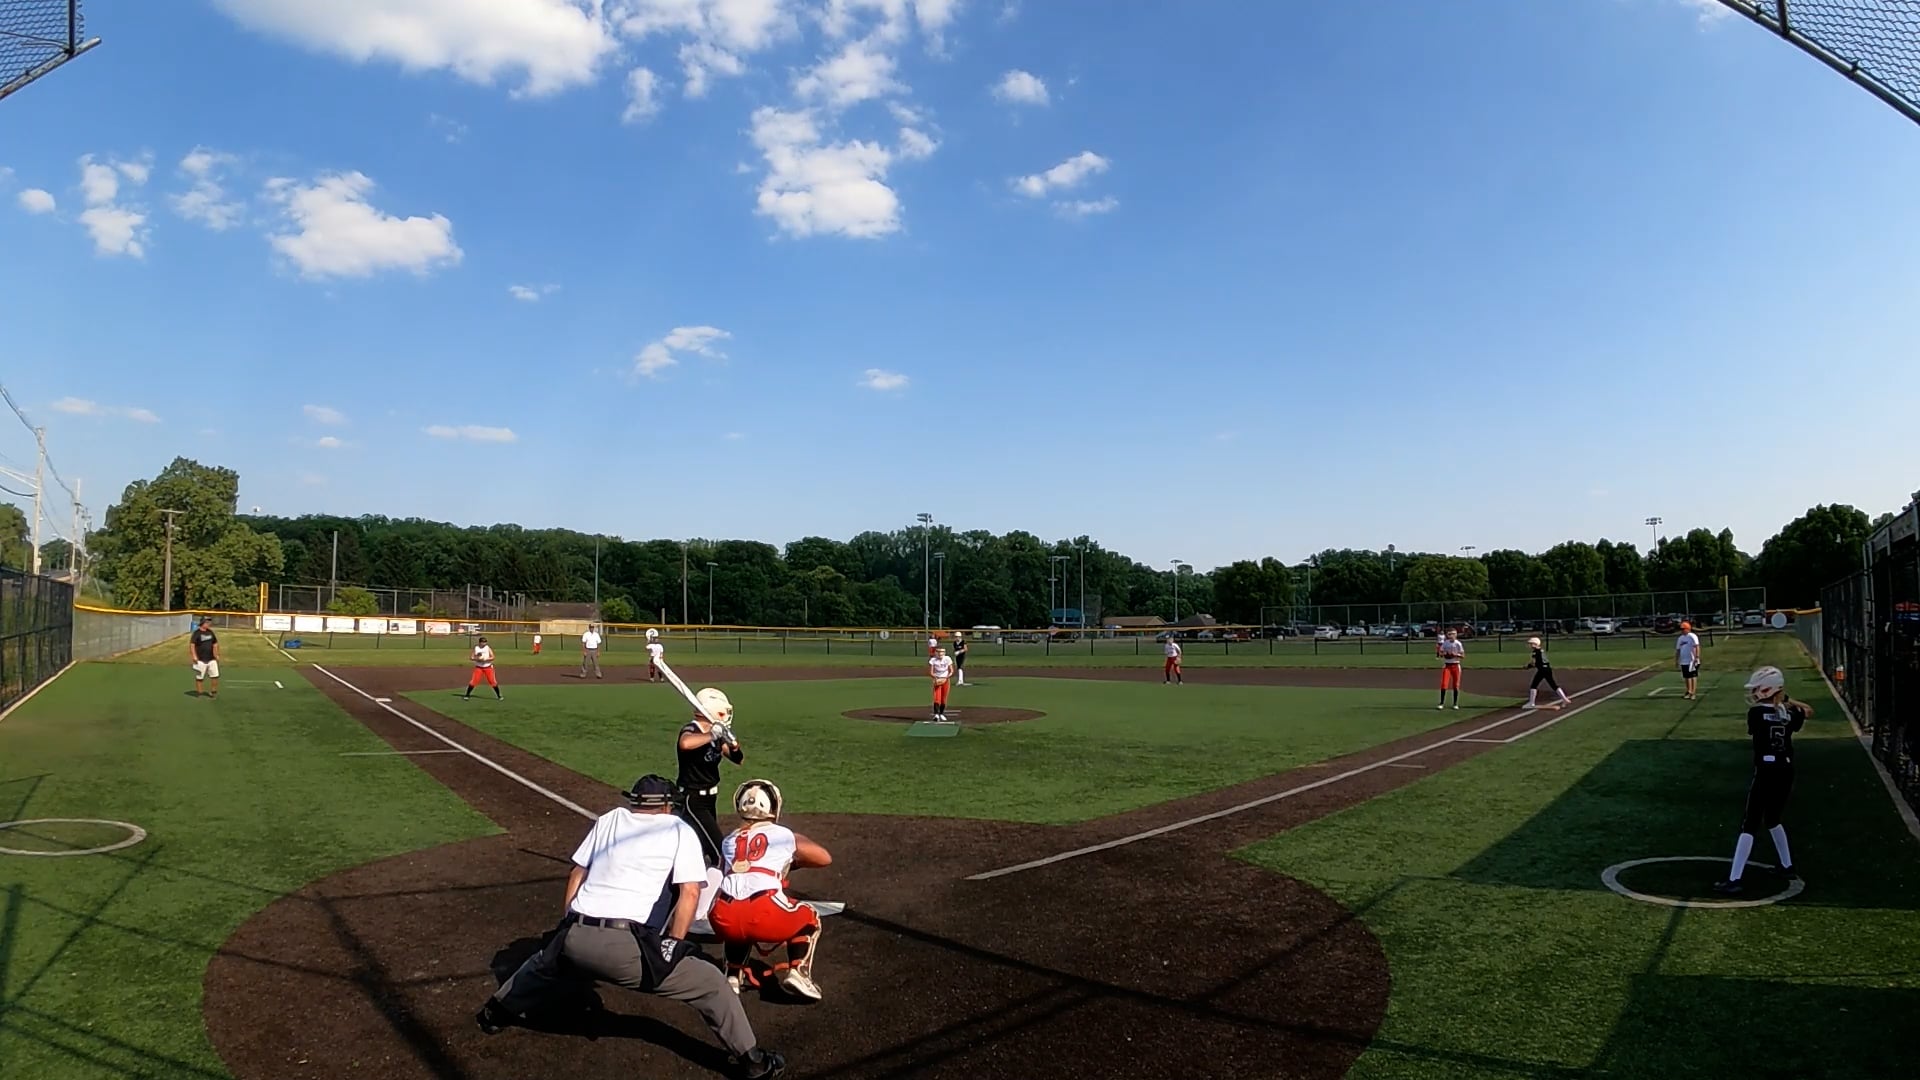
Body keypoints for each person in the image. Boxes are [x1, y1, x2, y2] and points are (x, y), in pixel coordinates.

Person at [474, 775, 788, 1079]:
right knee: (711, 982)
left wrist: (568, 923)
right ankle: (754, 1063)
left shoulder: (609, 819)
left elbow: (577, 874)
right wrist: (672, 945)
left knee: (546, 962)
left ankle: (493, 1013)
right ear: (667, 806)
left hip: (576, 934)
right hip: (624, 949)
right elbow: (690, 892)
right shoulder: (679, 828)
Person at [709, 779, 833, 1002]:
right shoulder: (783, 834)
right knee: (809, 916)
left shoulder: (728, 840)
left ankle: (732, 975)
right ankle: (799, 972)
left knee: (738, 914)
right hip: (763, 911)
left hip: (722, 915)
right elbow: (823, 858)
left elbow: (724, 870)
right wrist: (792, 863)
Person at [1713, 665, 1808, 895]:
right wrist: (1786, 701)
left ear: (1767, 689)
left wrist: (1780, 701)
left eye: (1758, 688)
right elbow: (1805, 711)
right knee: (1773, 818)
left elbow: (1760, 723)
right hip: (1786, 770)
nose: (1754, 692)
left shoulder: (1755, 714)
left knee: (1750, 823)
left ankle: (1735, 878)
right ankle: (1787, 866)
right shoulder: (1790, 713)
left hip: (1766, 771)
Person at [677, 687, 746, 868]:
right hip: (692, 799)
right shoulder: (692, 729)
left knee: (699, 846)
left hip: (709, 799)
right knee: (718, 851)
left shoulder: (718, 733)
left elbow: (738, 760)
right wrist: (711, 735)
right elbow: (685, 743)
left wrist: (734, 746)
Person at [1523, 636, 1572, 709]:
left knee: (1534, 685)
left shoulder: (1535, 652)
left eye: (1531, 644)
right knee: (1553, 685)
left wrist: (1527, 666)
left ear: (1535, 644)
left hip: (1542, 670)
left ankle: (1531, 703)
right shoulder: (1541, 650)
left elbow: (1533, 662)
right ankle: (1565, 699)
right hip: (1548, 669)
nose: (1530, 645)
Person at [189, 616, 221, 698]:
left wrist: (216, 654)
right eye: (207, 622)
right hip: (200, 660)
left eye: (209, 622)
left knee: (215, 676)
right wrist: (194, 656)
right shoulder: (197, 633)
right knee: (200, 677)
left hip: (211, 659)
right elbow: (192, 645)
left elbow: (215, 643)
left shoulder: (210, 632)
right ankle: (199, 693)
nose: (209, 624)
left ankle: (213, 692)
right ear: (202, 623)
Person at [465, 635, 502, 700]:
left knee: (492, 681)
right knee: (474, 681)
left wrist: (486, 659)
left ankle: (499, 696)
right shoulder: (476, 648)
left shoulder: (487, 648)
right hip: (479, 668)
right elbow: (471, 657)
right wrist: (477, 659)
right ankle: (467, 695)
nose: (484, 643)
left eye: (485, 642)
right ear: (480, 642)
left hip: (488, 667)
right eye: (482, 642)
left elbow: (493, 657)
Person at [1436, 628, 1465, 710]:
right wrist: (1445, 654)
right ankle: (1441, 703)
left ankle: (1455, 703)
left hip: (1456, 665)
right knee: (1444, 684)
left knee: (1455, 685)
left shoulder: (1458, 643)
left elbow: (1463, 656)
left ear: (1456, 635)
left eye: (1453, 634)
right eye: (1450, 634)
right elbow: (1441, 653)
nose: (1452, 636)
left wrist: (1455, 655)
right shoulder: (1445, 643)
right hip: (1447, 665)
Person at [1675, 621, 1702, 700]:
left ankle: (1693, 692)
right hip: (1683, 660)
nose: (1682, 630)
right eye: (1681, 629)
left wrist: (1697, 657)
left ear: (1688, 629)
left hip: (1692, 660)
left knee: (1692, 676)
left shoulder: (1692, 636)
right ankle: (1688, 691)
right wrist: (1676, 660)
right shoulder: (1680, 638)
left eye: (1683, 629)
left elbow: (1697, 646)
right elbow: (1678, 650)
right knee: (1686, 676)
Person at [928, 646, 955, 722]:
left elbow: (951, 671)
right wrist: (936, 678)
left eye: (942, 652)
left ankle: (941, 713)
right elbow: (931, 672)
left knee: (944, 698)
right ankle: (936, 714)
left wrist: (946, 678)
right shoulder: (933, 660)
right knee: (937, 697)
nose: (940, 653)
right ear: (936, 652)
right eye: (939, 652)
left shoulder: (947, 659)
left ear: (944, 653)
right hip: (937, 679)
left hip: (946, 680)